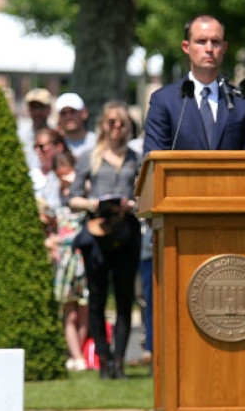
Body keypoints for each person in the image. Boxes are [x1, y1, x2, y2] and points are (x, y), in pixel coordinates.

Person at [69, 101, 141, 379]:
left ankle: (119, 362)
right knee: (97, 300)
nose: (116, 127)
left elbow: (145, 197)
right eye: (111, 122)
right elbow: (72, 198)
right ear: (103, 125)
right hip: (97, 233)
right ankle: (104, 360)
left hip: (126, 232)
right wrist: (92, 204)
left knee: (124, 300)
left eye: (121, 122)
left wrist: (131, 206)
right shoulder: (90, 156)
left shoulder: (136, 158)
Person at [142, 14, 245, 154]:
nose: (209, 48)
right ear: (186, 47)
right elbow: (154, 162)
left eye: (216, 42)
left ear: (224, 48)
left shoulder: (243, 102)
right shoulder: (164, 101)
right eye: (201, 41)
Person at [41, 150, 90, 372]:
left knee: (85, 309)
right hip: (65, 259)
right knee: (69, 311)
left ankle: (77, 355)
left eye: (68, 174)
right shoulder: (54, 197)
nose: (65, 180)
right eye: (60, 175)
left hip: (83, 257)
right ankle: (76, 356)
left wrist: (77, 184)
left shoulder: (83, 190)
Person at [19, 87, 54, 170]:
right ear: (29, 110)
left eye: (41, 107)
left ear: (49, 109)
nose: (38, 112)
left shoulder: (57, 136)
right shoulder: (20, 138)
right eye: (34, 107)